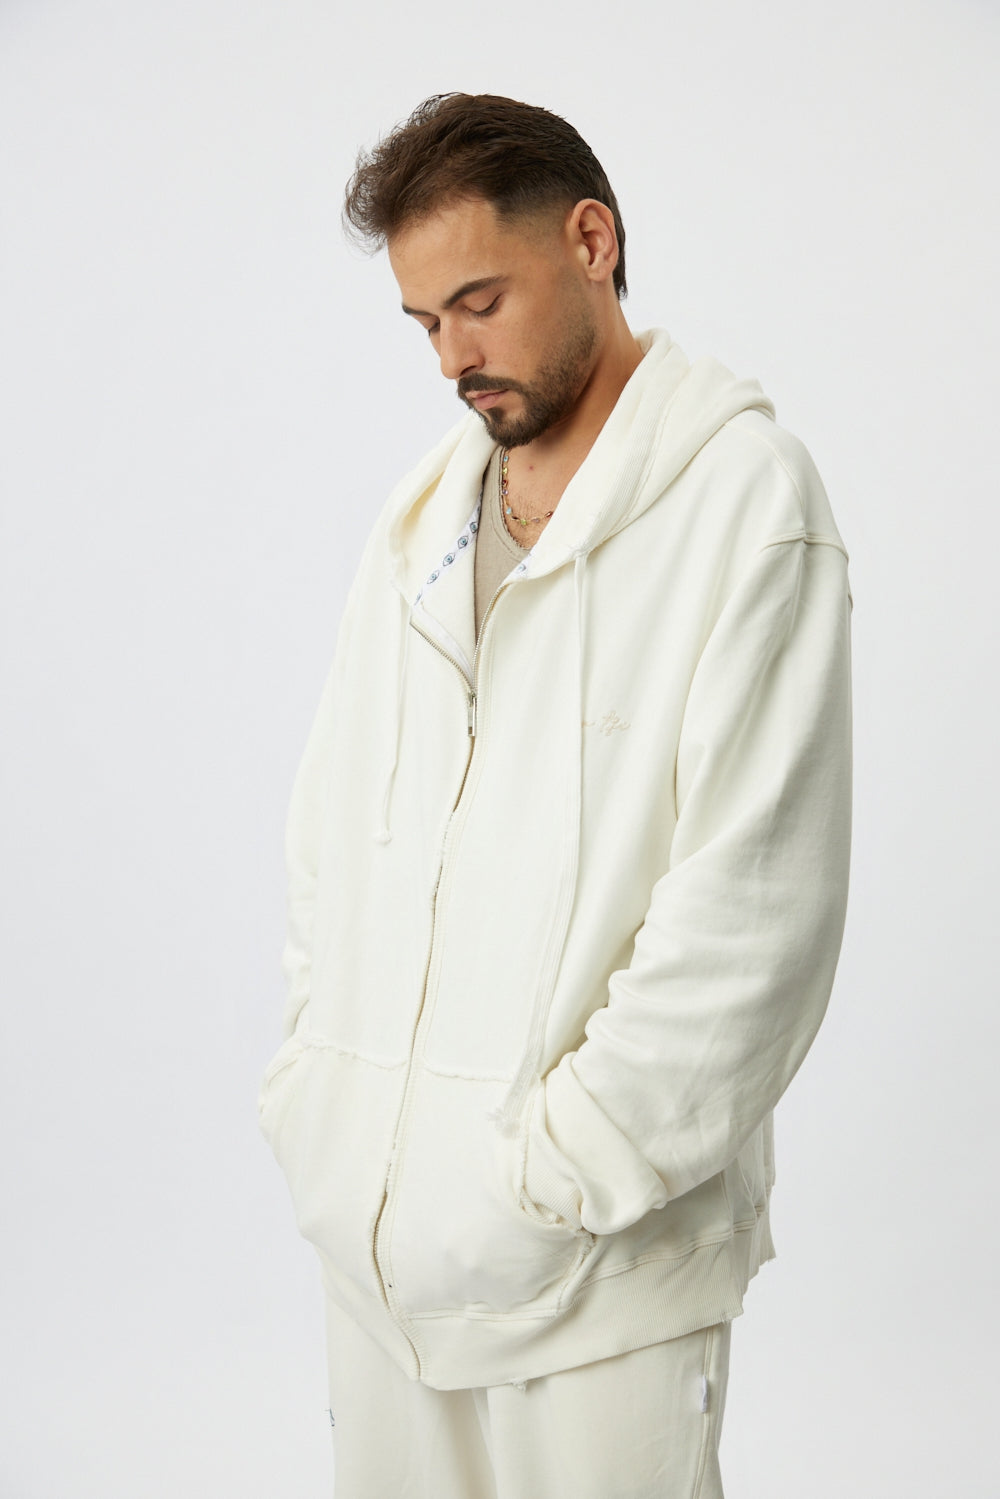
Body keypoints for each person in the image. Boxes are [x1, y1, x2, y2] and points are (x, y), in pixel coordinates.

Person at [259, 93, 852, 1499]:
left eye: (479, 303)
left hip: (598, 1283)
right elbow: (330, 840)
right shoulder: (421, 521)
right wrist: (320, 1105)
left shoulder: (744, 503)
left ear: (593, 241)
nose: (453, 358)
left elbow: (755, 916)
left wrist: (555, 1181)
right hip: (381, 1269)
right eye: (424, 323)